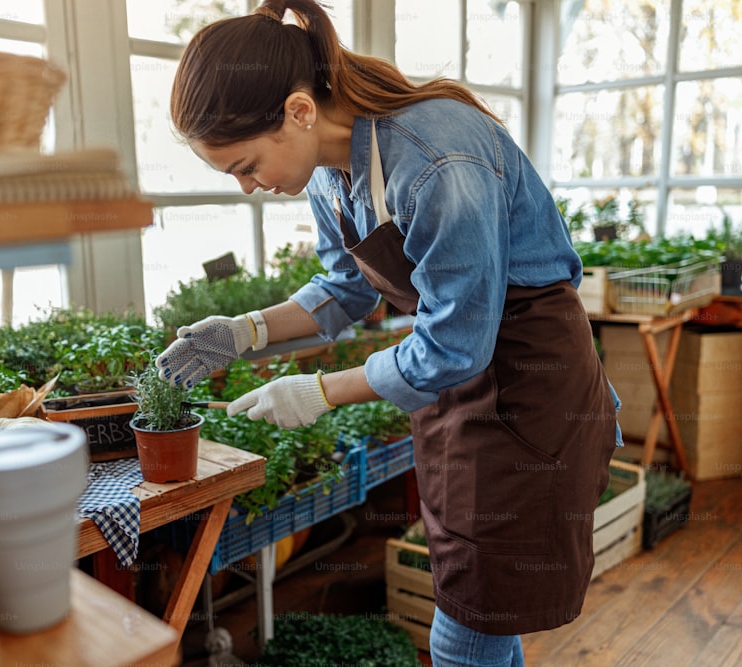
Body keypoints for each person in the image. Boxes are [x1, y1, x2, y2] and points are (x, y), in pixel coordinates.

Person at [155, 1, 623, 665]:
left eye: (245, 165)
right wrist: (244, 331)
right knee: (481, 612)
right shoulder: (328, 173)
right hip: (456, 392)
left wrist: (320, 390)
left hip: (527, 385)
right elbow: (345, 290)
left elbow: (458, 342)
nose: (248, 187)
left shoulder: (436, 158)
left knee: (467, 628)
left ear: (297, 111)